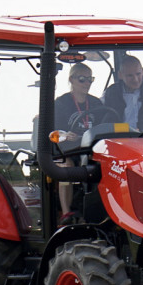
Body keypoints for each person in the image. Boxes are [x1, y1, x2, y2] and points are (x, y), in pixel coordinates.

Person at [53, 63, 107, 220]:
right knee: (66, 165)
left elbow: (105, 126)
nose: (87, 83)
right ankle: (66, 213)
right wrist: (65, 135)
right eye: (82, 79)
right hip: (67, 150)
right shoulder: (61, 103)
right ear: (71, 79)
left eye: (90, 79)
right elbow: (53, 134)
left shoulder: (97, 103)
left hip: (91, 150)